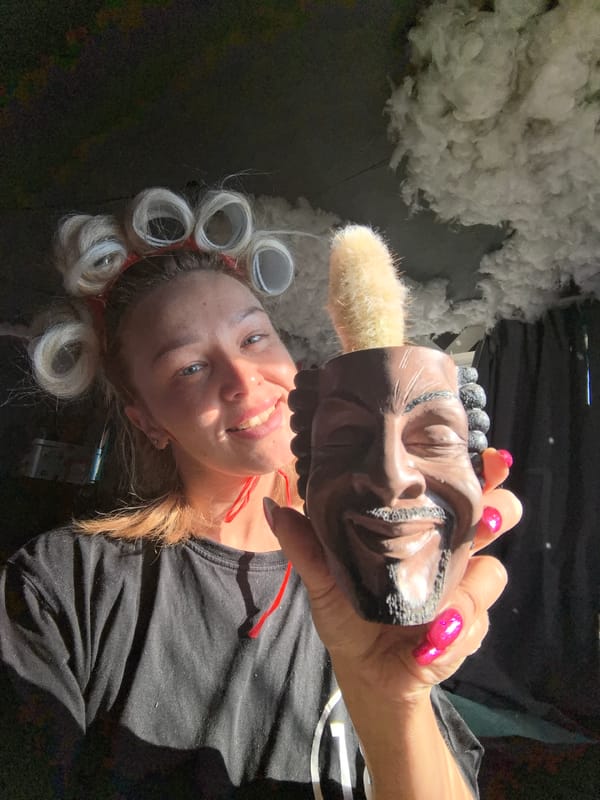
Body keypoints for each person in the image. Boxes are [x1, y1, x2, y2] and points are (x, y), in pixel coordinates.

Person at [0, 186, 521, 799]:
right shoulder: (62, 586)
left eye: (254, 339)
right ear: (147, 420)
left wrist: (391, 694)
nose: (244, 382)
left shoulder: (374, 555)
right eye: (190, 368)